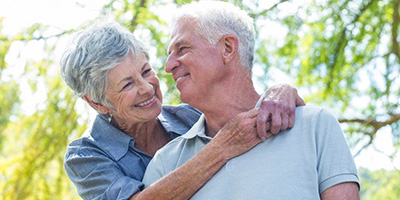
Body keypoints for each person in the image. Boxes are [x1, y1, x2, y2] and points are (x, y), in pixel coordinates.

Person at [60, 20, 304, 199]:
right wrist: (222, 147)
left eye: (146, 71)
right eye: (127, 84)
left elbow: (252, 119)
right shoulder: (85, 155)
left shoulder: (190, 116)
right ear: (97, 103)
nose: (147, 88)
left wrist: (280, 92)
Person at [142, 1, 360, 199]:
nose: (168, 66)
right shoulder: (165, 164)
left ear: (228, 48)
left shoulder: (314, 127)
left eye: (182, 49)